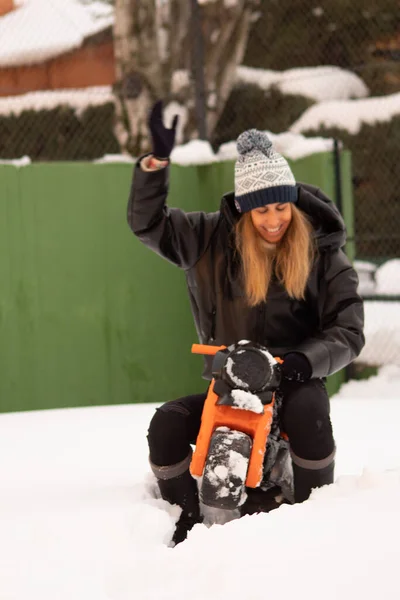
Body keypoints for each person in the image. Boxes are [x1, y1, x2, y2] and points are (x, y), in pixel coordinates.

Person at [127, 101, 365, 546]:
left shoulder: (323, 252)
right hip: (233, 383)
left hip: (295, 378)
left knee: (310, 413)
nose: (273, 220)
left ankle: (316, 518)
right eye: (261, 212)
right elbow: (148, 224)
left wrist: (302, 361)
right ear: (243, 211)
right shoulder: (208, 239)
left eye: (281, 207)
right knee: (167, 425)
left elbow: (348, 330)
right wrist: (156, 164)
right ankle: (188, 523)